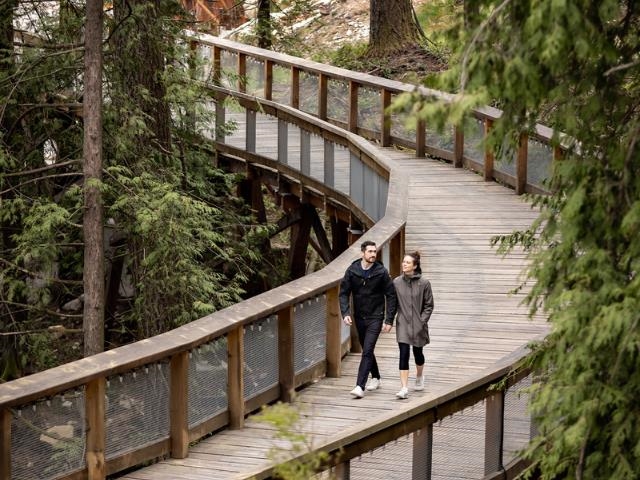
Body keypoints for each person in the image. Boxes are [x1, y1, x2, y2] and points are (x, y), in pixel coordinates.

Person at [339, 240, 397, 398]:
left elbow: (391, 295)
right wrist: (345, 313)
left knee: (367, 350)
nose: (373, 254)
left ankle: (360, 386)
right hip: (359, 316)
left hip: (376, 316)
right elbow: (343, 293)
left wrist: (389, 320)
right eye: (370, 251)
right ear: (362, 253)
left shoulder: (381, 272)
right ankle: (376, 377)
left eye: (374, 251)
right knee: (367, 349)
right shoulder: (352, 270)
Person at [392, 251, 434, 399]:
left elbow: (429, 305)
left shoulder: (424, 283)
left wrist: (422, 321)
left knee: (418, 353)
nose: (404, 264)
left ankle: (420, 376)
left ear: (415, 266)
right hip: (403, 323)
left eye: (408, 262)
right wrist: (389, 320)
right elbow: (393, 303)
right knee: (403, 353)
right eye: (403, 262)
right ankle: (404, 387)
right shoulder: (397, 282)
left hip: (418, 324)